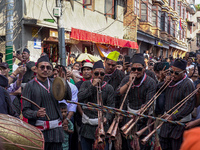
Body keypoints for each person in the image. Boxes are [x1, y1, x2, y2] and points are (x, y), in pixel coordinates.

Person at [22, 56, 72, 150]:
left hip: (56, 131)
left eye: (48, 68)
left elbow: (68, 97)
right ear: (36, 69)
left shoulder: (55, 82)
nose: (45, 70)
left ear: (51, 70)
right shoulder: (29, 86)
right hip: (39, 132)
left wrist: (64, 82)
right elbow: (25, 111)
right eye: (42, 67)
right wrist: (36, 113)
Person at [117, 53, 156, 150]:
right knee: (130, 146)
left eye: (139, 69)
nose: (136, 71)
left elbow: (148, 103)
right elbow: (118, 93)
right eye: (133, 69)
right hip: (129, 116)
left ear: (144, 68)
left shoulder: (150, 82)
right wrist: (129, 83)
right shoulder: (127, 78)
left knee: (142, 146)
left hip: (143, 118)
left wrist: (141, 112)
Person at [159, 59, 195, 150]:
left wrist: (173, 117)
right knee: (164, 144)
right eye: (171, 72)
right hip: (167, 120)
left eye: (176, 73)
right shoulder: (169, 81)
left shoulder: (188, 84)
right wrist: (162, 81)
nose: (173, 75)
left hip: (180, 122)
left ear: (184, 72)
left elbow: (189, 105)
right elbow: (157, 91)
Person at [78, 60, 115, 150]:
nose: (99, 76)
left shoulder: (109, 87)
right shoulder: (86, 84)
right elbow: (79, 98)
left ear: (104, 75)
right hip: (87, 124)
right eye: (96, 74)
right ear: (92, 73)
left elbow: (111, 106)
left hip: (102, 125)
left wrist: (107, 117)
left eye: (102, 74)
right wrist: (92, 86)